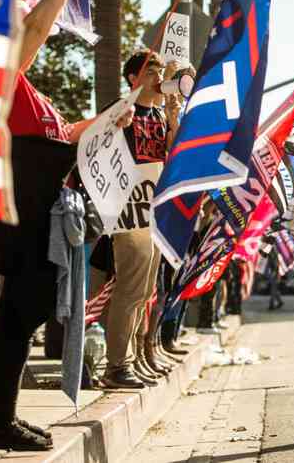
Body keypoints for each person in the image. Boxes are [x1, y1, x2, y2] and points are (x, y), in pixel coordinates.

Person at [0, 0, 133, 451]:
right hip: (22, 215)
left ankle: (1, 417)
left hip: (42, 219)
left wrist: (108, 120)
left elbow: (63, 135)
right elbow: (36, 28)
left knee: (26, 310)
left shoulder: (29, 90)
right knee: (20, 311)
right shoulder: (0, 70)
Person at [100, 49, 182, 390]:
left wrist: (174, 119)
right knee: (131, 287)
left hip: (152, 209)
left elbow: (172, 155)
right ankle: (117, 365)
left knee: (145, 289)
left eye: (161, 71)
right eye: (152, 71)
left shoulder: (160, 115)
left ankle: (131, 358)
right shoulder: (122, 110)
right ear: (134, 78)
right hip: (129, 209)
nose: (159, 77)